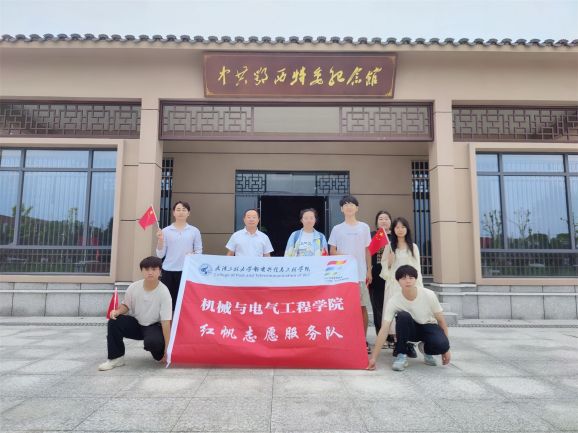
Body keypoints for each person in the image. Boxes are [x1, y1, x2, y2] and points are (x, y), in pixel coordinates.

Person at [367, 265, 451, 372]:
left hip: (428, 326)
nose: (408, 281)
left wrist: (446, 349)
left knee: (442, 345)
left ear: (415, 279)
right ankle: (401, 354)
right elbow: (384, 329)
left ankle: (425, 349)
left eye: (411, 278)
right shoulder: (394, 301)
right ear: (398, 281)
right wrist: (373, 358)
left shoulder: (428, 294)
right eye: (403, 278)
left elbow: (441, 321)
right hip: (410, 330)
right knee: (403, 316)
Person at [98, 256, 172, 371]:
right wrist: (117, 311)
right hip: (137, 324)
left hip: (154, 326)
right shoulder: (134, 287)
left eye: (154, 269)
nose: (150, 272)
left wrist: (168, 350)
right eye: (146, 269)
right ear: (142, 271)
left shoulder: (164, 292)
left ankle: (158, 351)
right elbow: (126, 306)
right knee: (114, 321)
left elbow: (166, 322)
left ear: (160, 271)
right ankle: (116, 358)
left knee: (154, 345)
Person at [328, 195, 372, 353]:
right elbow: (332, 251)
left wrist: (369, 269)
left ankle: (363, 339)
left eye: (352, 204)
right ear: (341, 209)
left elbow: (367, 250)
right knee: (342, 308)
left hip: (360, 274)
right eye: (345, 204)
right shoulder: (337, 229)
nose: (349, 207)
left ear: (357, 208)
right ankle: (344, 338)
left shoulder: (364, 227)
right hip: (342, 276)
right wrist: (345, 257)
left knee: (362, 307)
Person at [380, 216, 424, 357]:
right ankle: (398, 344)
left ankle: (408, 344)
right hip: (394, 285)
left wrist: (418, 286)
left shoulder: (413, 247)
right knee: (395, 314)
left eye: (403, 227)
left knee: (410, 313)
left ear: (407, 229)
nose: (400, 230)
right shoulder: (389, 246)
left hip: (410, 285)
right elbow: (384, 267)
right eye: (397, 227)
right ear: (393, 230)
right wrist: (389, 262)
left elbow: (417, 268)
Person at [156, 201, 202, 311]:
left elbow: (199, 250)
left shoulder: (194, 231)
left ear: (188, 213)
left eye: (184, 210)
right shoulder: (165, 231)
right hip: (168, 270)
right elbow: (160, 254)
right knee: (168, 302)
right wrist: (160, 240)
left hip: (186, 271)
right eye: (178, 209)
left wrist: (193, 255)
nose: (181, 212)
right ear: (173, 212)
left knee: (184, 302)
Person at [368, 210, 393, 346]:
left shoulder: (396, 235)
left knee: (391, 306)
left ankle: (392, 336)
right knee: (378, 306)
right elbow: (368, 254)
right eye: (381, 219)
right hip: (376, 274)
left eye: (386, 218)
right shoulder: (372, 236)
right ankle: (381, 336)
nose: (384, 221)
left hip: (392, 275)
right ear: (377, 222)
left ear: (390, 221)